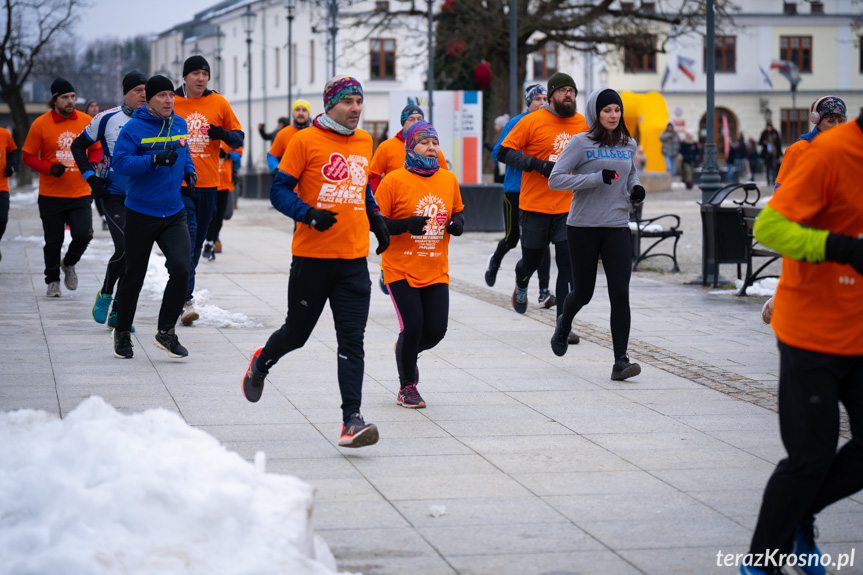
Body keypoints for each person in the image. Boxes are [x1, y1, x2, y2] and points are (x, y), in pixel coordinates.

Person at [740, 111, 863, 575]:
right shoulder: (824, 153)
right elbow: (769, 228)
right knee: (810, 457)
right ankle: (761, 561)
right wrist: (844, 248)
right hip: (812, 331)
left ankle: (799, 514)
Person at [241, 76, 390, 449]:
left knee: (352, 341)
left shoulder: (364, 141)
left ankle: (351, 420)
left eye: (359, 101)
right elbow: (278, 190)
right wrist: (308, 214)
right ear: (330, 105)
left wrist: (376, 222)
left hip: (353, 262)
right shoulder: (304, 140)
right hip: (312, 259)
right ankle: (261, 362)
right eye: (348, 102)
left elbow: (361, 189)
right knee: (297, 335)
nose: (356, 108)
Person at [548, 87, 644, 381]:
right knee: (584, 293)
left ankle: (620, 361)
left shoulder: (628, 143)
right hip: (583, 227)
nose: (613, 115)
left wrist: (635, 188)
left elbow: (629, 174)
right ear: (595, 113)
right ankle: (563, 325)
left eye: (617, 110)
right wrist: (594, 178)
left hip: (616, 226)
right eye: (607, 111)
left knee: (620, 293)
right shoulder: (580, 143)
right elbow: (556, 179)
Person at [376, 120, 464, 409]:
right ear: (410, 146)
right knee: (413, 326)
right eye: (425, 142)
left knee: (436, 330)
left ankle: (406, 350)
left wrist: (458, 223)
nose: (431, 147)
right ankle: (407, 387)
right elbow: (375, 222)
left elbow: (457, 210)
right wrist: (404, 225)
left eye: (435, 143)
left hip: (435, 268)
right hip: (399, 267)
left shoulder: (448, 179)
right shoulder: (393, 180)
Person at [110, 75, 196, 360]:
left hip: (173, 212)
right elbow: (120, 163)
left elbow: (184, 151)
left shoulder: (180, 123)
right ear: (149, 99)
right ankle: (122, 332)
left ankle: (166, 332)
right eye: (161, 95)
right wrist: (154, 159)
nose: (168, 100)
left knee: (182, 269)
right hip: (141, 212)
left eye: (171, 95)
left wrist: (189, 171)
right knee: (134, 274)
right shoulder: (134, 128)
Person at [497, 72, 587, 339]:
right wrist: (536, 164)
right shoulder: (532, 121)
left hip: (568, 206)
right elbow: (503, 152)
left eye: (572, 90)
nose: (568, 95)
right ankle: (521, 281)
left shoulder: (582, 123)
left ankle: (563, 323)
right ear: (550, 96)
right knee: (532, 261)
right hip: (535, 204)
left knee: (567, 264)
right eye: (563, 91)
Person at [70, 71, 148, 330]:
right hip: (113, 196)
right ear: (125, 92)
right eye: (137, 90)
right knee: (126, 248)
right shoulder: (106, 118)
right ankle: (105, 293)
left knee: (135, 256)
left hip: (144, 198)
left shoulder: (154, 120)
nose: (144, 94)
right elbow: (77, 146)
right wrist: (91, 177)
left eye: (146, 89)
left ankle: (119, 311)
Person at [759, 95, 846, 326]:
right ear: (816, 120)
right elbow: (782, 195)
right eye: (831, 121)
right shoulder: (798, 150)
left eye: (840, 120)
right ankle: (779, 302)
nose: (836, 126)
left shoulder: (849, 150)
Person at [172, 55, 244, 325]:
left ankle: (181, 288)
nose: (201, 79)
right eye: (195, 74)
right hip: (180, 185)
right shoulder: (173, 101)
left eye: (205, 74)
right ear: (185, 76)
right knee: (189, 239)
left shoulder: (219, 102)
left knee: (197, 242)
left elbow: (239, 136)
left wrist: (222, 134)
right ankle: (185, 299)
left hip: (209, 184)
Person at [22, 77, 102, 297]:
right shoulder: (41, 124)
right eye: (65, 97)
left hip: (80, 191)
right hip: (51, 194)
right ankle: (52, 282)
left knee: (84, 234)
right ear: (54, 100)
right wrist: (48, 168)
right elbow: (28, 156)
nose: (70, 101)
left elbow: (96, 148)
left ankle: (69, 262)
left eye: (73, 97)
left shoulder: (87, 121)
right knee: (53, 240)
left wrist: (93, 163)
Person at [487, 84, 555, 309]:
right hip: (515, 190)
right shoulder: (515, 123)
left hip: (539, 193)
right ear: (529, 103)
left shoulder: (551, 124)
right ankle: (495, 261)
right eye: (538, 99)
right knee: (512, 238)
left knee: (541, 241)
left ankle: (544, 291)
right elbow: (499, 152)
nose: (543, 102)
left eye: (546, 98)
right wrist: (524, 157)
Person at [369, 103, 449, 294]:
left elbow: (444, 177)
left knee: (418, 243)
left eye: (419, 119)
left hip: (424, 204)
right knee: (394, 239)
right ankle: (389, 271)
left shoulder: (434, 149)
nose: (415, 122)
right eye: (410, 120)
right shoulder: (387, 147)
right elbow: (372, 175)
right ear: (402, 124)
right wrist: (379, 199)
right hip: (395, 203)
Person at [202, 141, 242, 260]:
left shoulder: (228, 137)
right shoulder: (205, 136)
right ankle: (209, 242)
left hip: (224, 184)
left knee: (220, 217)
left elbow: (239, 155)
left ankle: (213, 240)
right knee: (211, 215)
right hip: (208, 183)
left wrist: (227, 155)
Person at [266, 101, 311, 173]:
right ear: (293, 112)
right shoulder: (282, 134)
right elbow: (271, 156)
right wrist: (277, 170)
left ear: (308, 113)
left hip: (313, 181)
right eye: (297, 110)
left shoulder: (317, 131)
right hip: (291, 182)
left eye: (304, 110)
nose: (300, 113)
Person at [0, 125, 17, 262]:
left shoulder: (4, 134)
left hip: (1, 186)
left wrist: (10, 165)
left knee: (2, 219)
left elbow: (12, 151)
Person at [758, 121, 782, 186]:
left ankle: (774, 180)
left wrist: (779, 152)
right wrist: (764, 143)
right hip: (766, 154)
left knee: (774, 167)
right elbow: (760, 142)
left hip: (774, 153)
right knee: (768, 168)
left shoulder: (775, 132)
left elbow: (779, 143)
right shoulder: (764, 133)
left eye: (770, 127)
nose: (769, 128)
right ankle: (768, 181)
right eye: (768, 126)